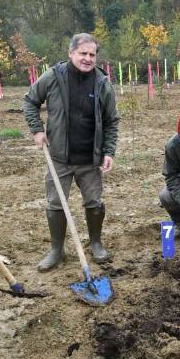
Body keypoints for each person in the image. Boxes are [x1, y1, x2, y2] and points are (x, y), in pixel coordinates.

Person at [23, 33, 119, 270]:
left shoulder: (101, 82)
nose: (87, 59)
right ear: (71, 53)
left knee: (94, 202)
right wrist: (37, 130)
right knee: (56, 203)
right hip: (59, 157)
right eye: (82, 53)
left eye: (92, 55)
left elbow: (111, 120)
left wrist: (108, 151)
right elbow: (30, 101)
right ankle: (57, 250)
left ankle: (96, 243)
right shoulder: (54, 77)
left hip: (90, 158)